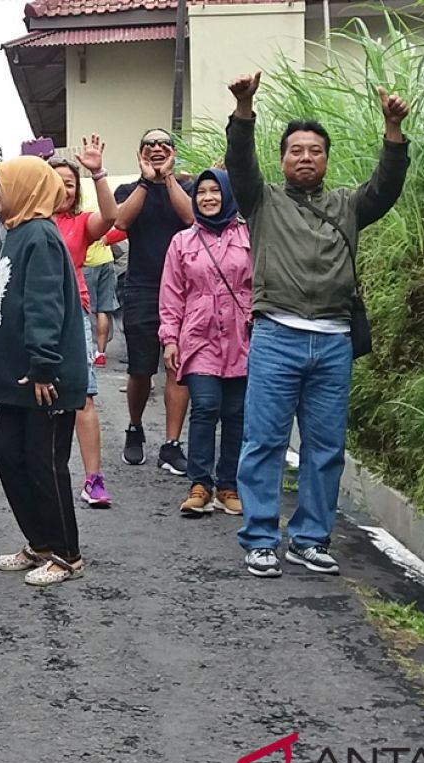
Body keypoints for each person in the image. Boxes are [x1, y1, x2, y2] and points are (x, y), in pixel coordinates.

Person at [226, 71, 410, 577]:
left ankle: (309, 537)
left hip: (333, 343)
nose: (305, 157)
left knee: (326, 449)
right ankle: (261, 537)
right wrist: (244, 110)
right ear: (283, 159)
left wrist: (392, 129)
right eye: (295, 150)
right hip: (275, 338)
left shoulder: (348, 205)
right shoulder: (261, 200)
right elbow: (240, 163)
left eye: (315, 150)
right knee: (263, 442)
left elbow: (387, 187)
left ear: (326, 159)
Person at [0, 156, 89, 586]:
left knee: (45, 462)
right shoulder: (17, 233)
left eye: (2, 187)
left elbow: (44, 305)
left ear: (26, 190)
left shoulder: (41, 237)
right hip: (18, 376)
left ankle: (67, 553)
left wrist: (45, 365)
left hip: (43, 377)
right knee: (8, 454)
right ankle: (41, 542)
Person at [159, 169, 251, 518]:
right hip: (198, 339)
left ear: (227, 195)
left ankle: (228, 485)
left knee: (236, 413)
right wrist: (170, 338)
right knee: (206, 407)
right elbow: (171, 294)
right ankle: (200, 485)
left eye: (215, 191)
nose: (208, 198)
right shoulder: (182, 242)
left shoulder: (248, 235)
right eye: (201, 192)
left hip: (241, 338)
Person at [113, 129, 195, 473]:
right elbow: (121, 220)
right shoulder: (129, 190)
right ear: (140, 152)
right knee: (141, 369)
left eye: (164, 145)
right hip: (142, 287)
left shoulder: (189, 187)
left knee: (178, 368)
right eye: (150, 145)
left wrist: (168, 178)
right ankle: (135, 427)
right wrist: (147, 182)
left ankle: (172, 444)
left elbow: (191, 218)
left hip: (183, 289)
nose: (157, 149)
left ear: (173, 152)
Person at [48, 135, 117, 508]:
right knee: (39, 398)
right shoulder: (27, 221)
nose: (63, 188)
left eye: (69, 184)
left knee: (83, 396)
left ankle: (93, 479)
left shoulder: (79, 225)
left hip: (73, 314)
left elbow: (110, 217)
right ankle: (45, 475)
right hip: (36, 317)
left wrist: (97, 173)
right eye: (55, 182)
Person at [83, 227, 125, 367]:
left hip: (87, 261)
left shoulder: (79, 208)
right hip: (106, 259)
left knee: (86, 309)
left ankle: (88, 350)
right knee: (103, 309)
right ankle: (100, 354)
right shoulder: (102, 208)